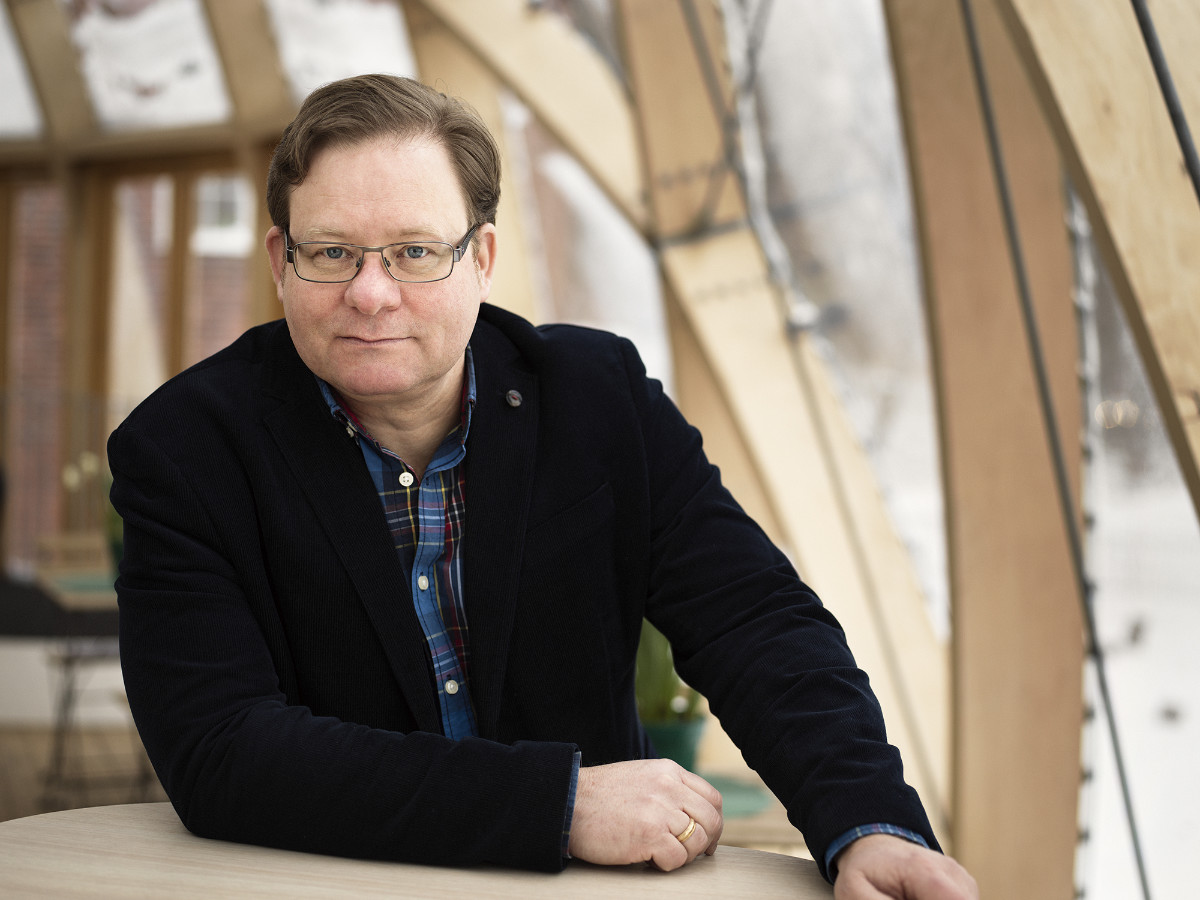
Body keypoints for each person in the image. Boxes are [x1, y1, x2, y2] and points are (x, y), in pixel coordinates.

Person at [108, 74, 976, 898]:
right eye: (332, 252)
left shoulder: (601, 401)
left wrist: (870, 824)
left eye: (415, 252)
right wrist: (559, 805)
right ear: (280, 261)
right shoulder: (183, 451)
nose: (371, 294)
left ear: (482, 258)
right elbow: (222, 749)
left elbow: (754, 622)